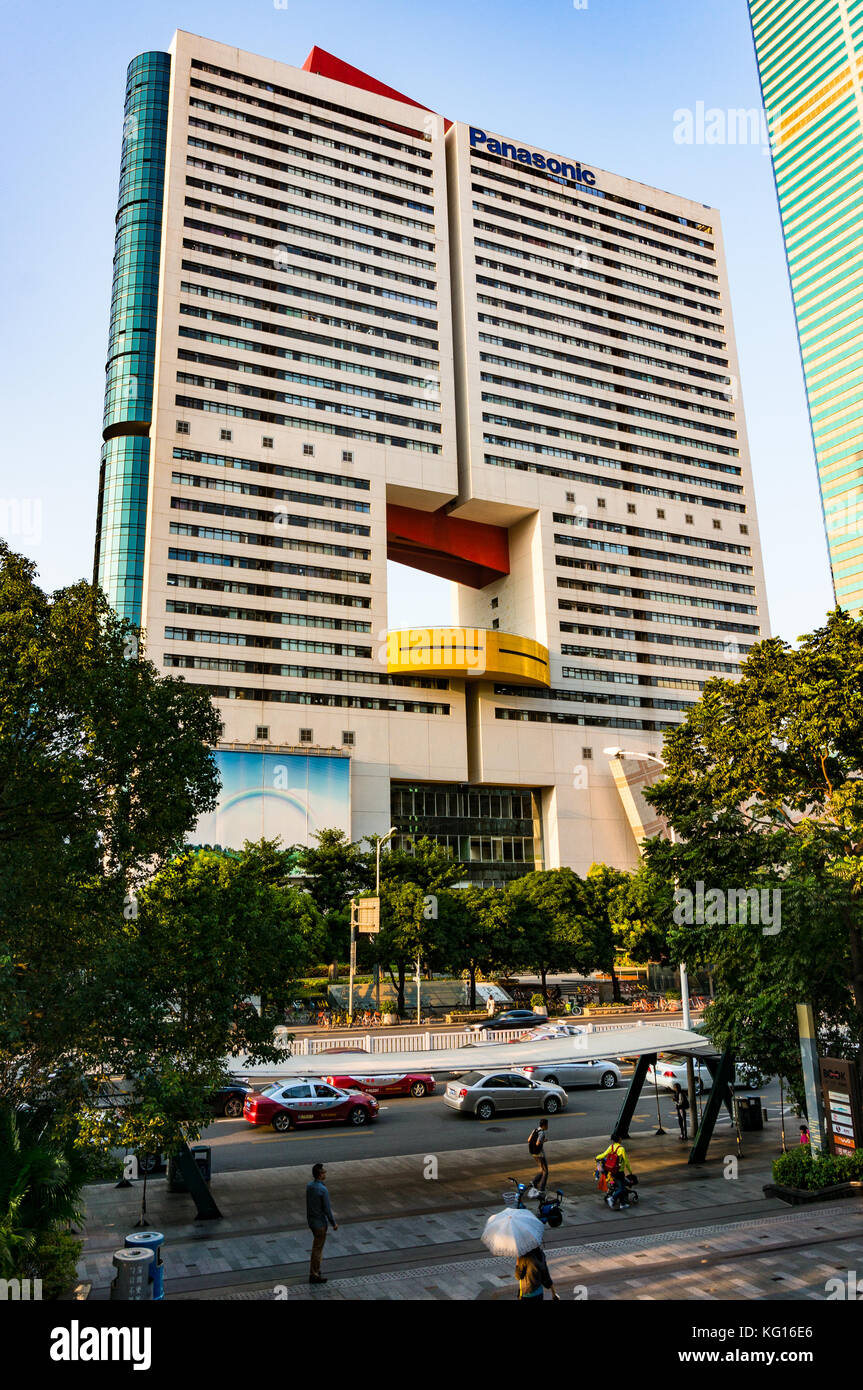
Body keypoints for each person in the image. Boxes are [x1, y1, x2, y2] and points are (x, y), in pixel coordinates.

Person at [306, 1162, 338, 1284]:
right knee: (318, 1249)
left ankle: (316, 1271)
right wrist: (333, 1223)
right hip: (320, 1223)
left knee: (317, 1247)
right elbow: (327, 1209)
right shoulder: (323, 1190)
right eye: (324, 1172)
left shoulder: (309, 1186)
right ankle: (314, 1274)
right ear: (320, 1175)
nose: (325, 1173)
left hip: (311, 1221)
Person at [595, 1138, 632, 1209]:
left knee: (620, 1186)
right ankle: (612, 1198)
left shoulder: (611, 1147)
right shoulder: (621, 1149)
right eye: (620, 1138)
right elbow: (626, 1161)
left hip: (612, 1170)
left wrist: (597, 1157)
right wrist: (630, 1171)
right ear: (619, 1140)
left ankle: (622, 1203)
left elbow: (604, 1154)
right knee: (621, 1188)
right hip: (619, 1171)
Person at [527, 1118, 549, 1197]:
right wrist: (543, 1141)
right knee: (545, 1171)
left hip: (533, 1153)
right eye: (547, 1125)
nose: (547, 1126)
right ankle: (542, 1188)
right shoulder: (542, 1133)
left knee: (541, 1169)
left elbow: (529, 1140)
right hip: (539, 1154)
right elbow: (537, 1143)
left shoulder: (535, 1130)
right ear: (544, 1125)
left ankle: (534, 1182)